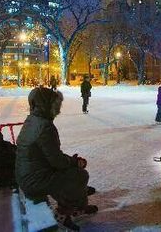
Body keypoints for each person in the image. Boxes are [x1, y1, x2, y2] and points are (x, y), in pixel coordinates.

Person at [15, 87, 97, 231]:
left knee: (73, 173)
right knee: (79, 175)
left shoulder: (33, 120)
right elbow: (57, 161)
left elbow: (51, 155)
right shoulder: (45, 126)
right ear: (47, 105)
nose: (58, 107)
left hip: (27, 174)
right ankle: (63, 214)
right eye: (55, 103)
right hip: (34, 180)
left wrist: (71, 162)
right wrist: (74, 162)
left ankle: (79, 205)